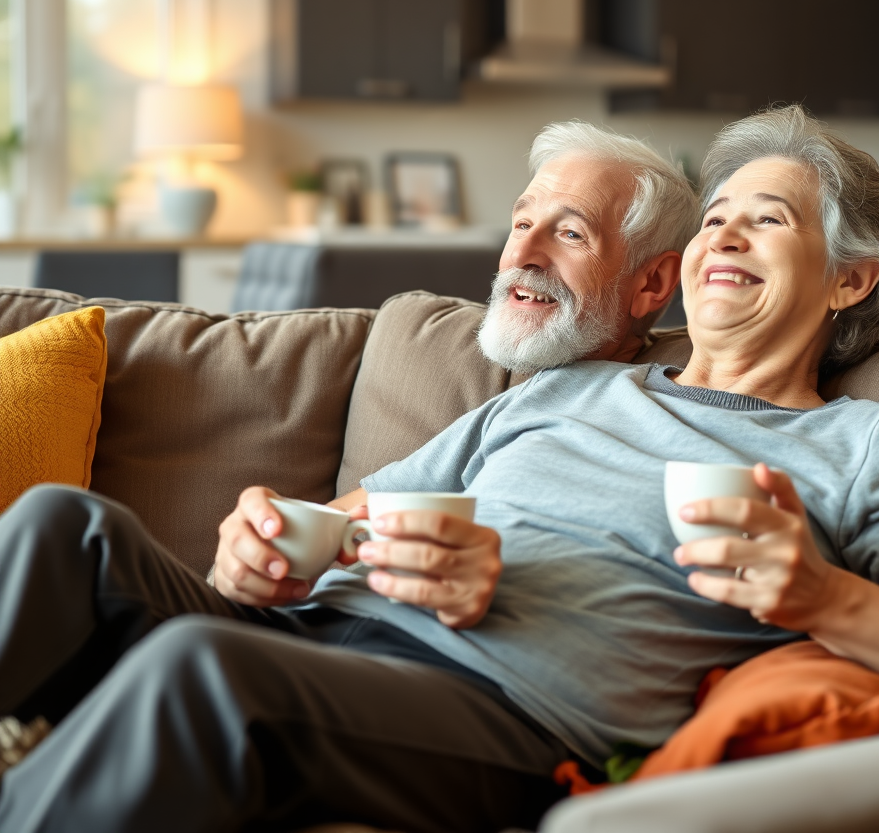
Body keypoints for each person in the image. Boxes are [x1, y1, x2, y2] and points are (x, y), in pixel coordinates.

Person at [0, 121, 699, 833]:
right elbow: (341, 519)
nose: (521, 253)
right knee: (65, 525)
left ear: (652, 282)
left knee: (205, 664)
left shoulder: (780, 444)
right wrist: (260, 548)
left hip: (487, 704)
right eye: (521, 223)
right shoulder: (544, 396)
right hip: (316, 635)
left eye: (570, 234)